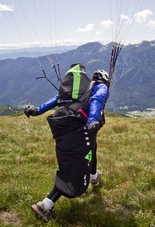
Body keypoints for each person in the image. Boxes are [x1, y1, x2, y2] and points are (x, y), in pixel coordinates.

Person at [24, 63, 110, 223]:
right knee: (73, 166)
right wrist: (92, 120)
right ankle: (45, 205)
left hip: (61, 126)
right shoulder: (100, 87)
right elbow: (98, 99)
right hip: (77, 129)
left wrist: (36, 111)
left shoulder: (78, 92)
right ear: (104, 79)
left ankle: (94, 177)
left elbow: (55, 100)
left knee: (91, 148)